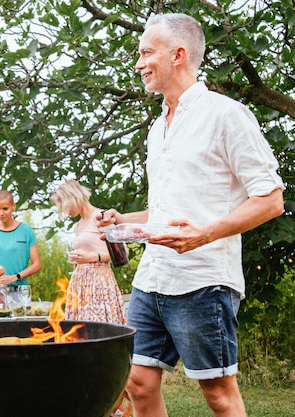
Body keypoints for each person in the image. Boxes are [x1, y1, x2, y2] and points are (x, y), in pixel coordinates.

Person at [98, 14, 285, 417]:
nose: (139, 63)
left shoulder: (226, 115)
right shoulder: (156, 129)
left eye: (146, 52)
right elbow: (169, 208)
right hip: (153, 278)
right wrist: (123, 220)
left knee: (218, 394)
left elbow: (270, 200)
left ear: (178, 55)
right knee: (138, 382)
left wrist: (203, 235)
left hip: (204, 280)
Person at [51, 180, 126, 324]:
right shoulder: (77, 225)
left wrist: (94, 257)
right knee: (79, 330)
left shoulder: (101, 217)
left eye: (64, 205)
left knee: (99, 327)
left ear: (74, 197)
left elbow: (123, 253)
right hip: (80, 283)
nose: (65, 211)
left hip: (99, 282)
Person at [0, 190, 42, 288]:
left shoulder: (26, 230)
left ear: (13, 206)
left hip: (18, 292)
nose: (1, 213)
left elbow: (37, 265)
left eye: (5, 209)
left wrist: (15, 277)